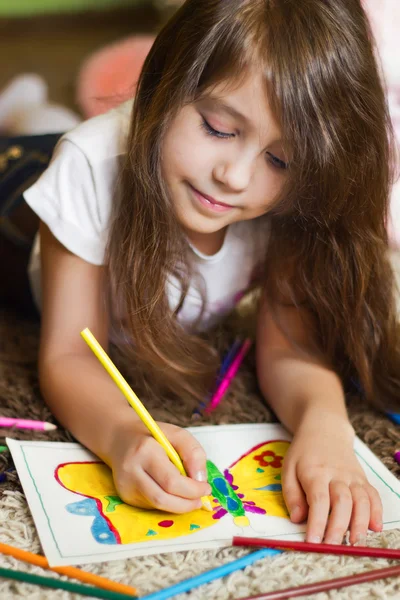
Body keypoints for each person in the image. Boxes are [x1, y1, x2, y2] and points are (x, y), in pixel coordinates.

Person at [1, 0, 399, 546]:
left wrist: (328, 428)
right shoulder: (91, 167)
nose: (234, 177)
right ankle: (23, 116)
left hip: (114, 149)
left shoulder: (285, 201)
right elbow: (70, 353)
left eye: (279, 160)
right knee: (30, 154)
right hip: (16, 209)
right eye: (217, 128)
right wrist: (123, 435)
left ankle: (35, 113)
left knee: (53, 131)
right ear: (163, 81)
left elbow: (290, 348)